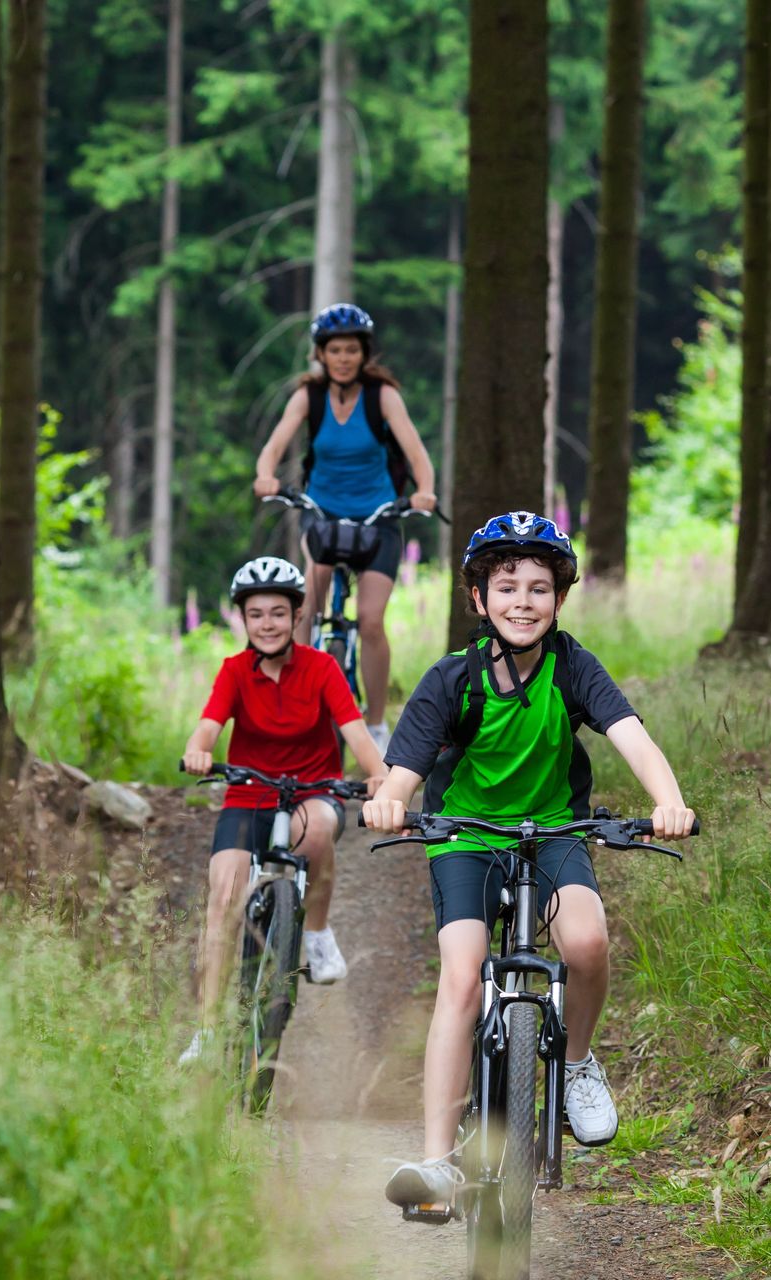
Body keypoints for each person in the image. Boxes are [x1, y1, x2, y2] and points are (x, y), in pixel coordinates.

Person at [361, 512, 696, 1211]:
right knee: (460, 976)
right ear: (479, 600)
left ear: (560, 600)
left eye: (539, 588)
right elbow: (406, 768)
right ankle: (436, 1162)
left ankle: (574, 1067)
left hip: (552, 832)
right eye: (505, 586)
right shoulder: (454, 678)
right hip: (466, 835)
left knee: (587, 940)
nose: (522, 601)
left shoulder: (572, 665)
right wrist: (390, 801)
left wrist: (669, 800)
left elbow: (631, 734)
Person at [178, 556, 388, 1066]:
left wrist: (380, 776)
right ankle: (206, 1031)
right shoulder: (234, 672)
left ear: (297, 616)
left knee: (317, 830)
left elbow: (356, 730)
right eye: (256, 614)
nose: (267, 623)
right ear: (243, 620)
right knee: (221, 898)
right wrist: (199, 749)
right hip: (248, 795)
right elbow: (208, 725)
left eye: (278, 613)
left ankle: (314, 932)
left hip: (311, 793)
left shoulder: (321, 667)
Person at [254, 304, 438, 757]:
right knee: (305, 613)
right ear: (321, 353)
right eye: (334, 350)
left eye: (351, 350)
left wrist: (426, 490)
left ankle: (376, 724)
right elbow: (274, 445)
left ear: (363, 353)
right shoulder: (309, 397)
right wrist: (265, 476)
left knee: (371, 621)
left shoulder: (383, 396)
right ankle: (294, 707)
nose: (343, 357)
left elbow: (417, 454)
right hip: (323, 514)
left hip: (378, 519)